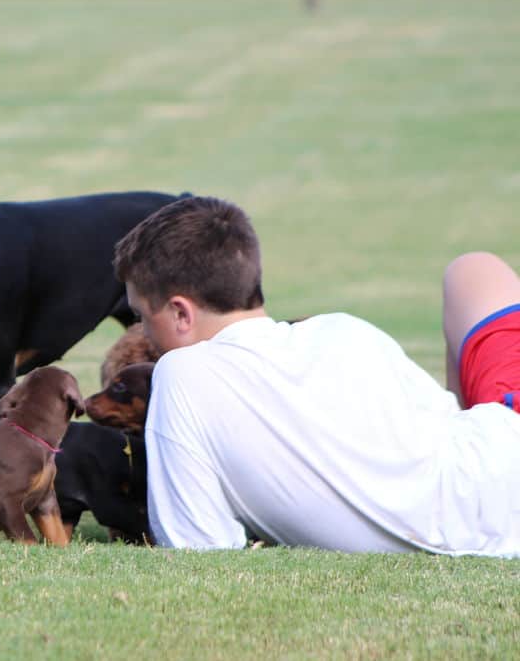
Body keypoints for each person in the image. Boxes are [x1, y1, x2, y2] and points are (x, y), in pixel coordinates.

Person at [112, 196, 520, 556]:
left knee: (473, 272)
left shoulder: (182, 374)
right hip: (499, 464)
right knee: (474, 270)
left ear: (181, 313)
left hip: (491, 479)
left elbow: (198, 543)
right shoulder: (343, 330)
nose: (143, 332)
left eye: (142, 316)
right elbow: (447, 422)